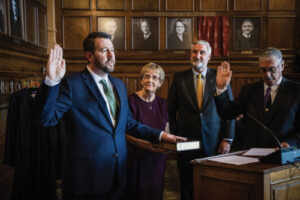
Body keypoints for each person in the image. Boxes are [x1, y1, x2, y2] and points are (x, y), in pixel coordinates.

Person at [37, 32, 185, 200]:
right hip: (86, 180)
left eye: (112, 50)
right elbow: (46, 118)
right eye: (104, 50)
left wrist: (161, 134)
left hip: (117, 176)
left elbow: (127, 123)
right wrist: (51, 81)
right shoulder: (72, 84)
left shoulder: (119, 85)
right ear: (89, 56)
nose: (111, 55)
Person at [168, 40, 235, 200]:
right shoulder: (179, 78)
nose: (197, 56)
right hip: (185, 141)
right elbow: (171, 110)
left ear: (209, 56)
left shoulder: (219, 76)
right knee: (186, 184)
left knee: (212, 184)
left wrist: (228, 139)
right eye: (194, 52)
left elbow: (229, 111)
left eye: (202, 52)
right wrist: (172, 136)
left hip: (214, 140)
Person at [215, 47, 300, 149]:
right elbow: (227, 113)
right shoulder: (249, 90)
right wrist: (221, 88)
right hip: (253, 155)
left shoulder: (296, 91)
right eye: (263, 70)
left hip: (283, 155)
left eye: (272, 69)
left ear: (282, 65)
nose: (267, 75)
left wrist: (290, 143)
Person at [125, 63, 169, 200]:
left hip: (157, 160)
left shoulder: (163, 104)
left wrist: (167, 147)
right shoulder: (131, 101)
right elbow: (126, 134)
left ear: (160, 83)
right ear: (141, 80)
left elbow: (166, 130)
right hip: (137, 158)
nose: (150, 80)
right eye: (147, 76)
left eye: (155, 77)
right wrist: (149, 147)